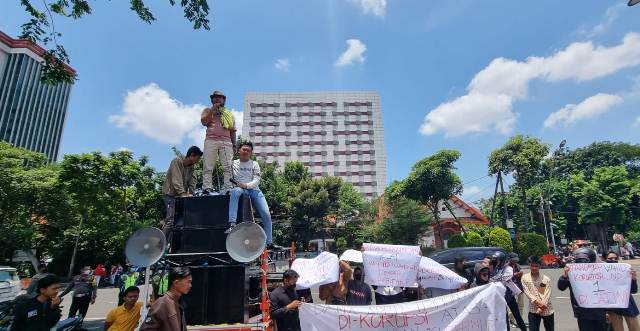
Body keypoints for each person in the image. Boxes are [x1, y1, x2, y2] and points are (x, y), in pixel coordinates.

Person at [225, 142, 273, 247]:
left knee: (267, 214)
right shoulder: (232, 163)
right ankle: (232, 223)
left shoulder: (255, 164)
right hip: (240, 189)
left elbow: (257, 180)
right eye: (244, 149)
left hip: (254, 190)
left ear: (251, 153)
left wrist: (246, 185)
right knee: (235, 192)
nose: (246, 151)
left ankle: (269, 242)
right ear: (239, 151)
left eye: (248, 150)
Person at [558, 247, 607, 331]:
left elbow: (607, 291)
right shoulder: (572, 274)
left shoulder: (599, 273)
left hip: (600, 311)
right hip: (582, 312)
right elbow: (561, 287)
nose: (583, 264)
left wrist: (608, 311)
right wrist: (564, 276)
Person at [161, 146, 202, 235]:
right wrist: (183, 194)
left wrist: (191, 194)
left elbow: (192, 183)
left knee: (179, 220)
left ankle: (170, 244)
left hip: (179, 196)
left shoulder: (191, 168)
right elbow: (176, 180)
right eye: (197, 158)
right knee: (171, 220)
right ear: (192, 155)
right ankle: (159, 244)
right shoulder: (177, 161)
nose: (198, 161)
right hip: (169, 195)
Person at [201, 90, 236, 194]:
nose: (217, 99)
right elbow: (204, 122)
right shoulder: (207, 110)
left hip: (226, 142)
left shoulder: (228, 114)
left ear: (224, 100)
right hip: (211, 140)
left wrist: (234, 145)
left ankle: (228, 188)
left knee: (228, 166)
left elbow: (233, 131)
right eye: (215, 97)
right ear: (212, 100)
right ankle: (207, 188)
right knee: (208, 166)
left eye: (220, 97)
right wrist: (213, 109)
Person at [141, 267, 192, 331]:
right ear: (176, 283)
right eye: (188, 282)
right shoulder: (162, 303)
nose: (190, 285)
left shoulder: (178, 302)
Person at [490, 251, 527, 331]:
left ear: (502, 260)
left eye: (497, 260)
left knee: (517, 316)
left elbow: (506, 278)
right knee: (504, 318)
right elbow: (492, 279)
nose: (495, 261)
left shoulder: (508, 268)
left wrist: (494, 279)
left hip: (509, 296)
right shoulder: (496, 269)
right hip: (500, 297)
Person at [604, 250, 640, 331]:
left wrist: (633, 279)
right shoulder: (601, 274)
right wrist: (605, 311)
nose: (613, 260)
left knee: (634, 327)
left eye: (615, 258)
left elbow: (634, 290)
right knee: (618, 329)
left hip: (627, 302)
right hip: (612, 305)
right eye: (610, 259)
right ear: (604, 259)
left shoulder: (625, 271)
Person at [521, 256, 554, 331]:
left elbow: (546, 295)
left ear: (540, 266)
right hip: (533, 309)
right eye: (532, 265)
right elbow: (527, 293)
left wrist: (541, 308)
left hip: (547, 309)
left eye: (536, 266)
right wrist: (538, 304)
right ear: (529, 265)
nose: (534, 268)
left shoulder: (545, 279)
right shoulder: (525, 278)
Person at [508, 253, 525, 328]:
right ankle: (511, 319)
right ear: (510, 259)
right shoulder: (506, 266)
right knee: (514, 307)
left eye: (516, 259)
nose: (515, 261)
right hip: (511, 289)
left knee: (521, 305)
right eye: (514, 259)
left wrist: (520, 273)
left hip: (519, 287)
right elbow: (506, 277)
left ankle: (519, 321)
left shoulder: (517, 265)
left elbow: (521, 273)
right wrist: (515, 274)